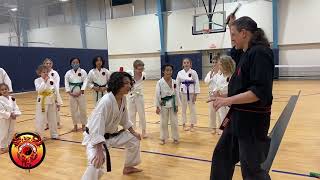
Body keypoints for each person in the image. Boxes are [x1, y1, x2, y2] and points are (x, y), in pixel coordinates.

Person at [209, 15, 274, 180]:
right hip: (238, 119)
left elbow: (259, 92)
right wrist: (223, 95)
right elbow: (235, 55)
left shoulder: (260, 53)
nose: (232, 39)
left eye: (234, 35)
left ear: (244, 33)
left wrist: (227, 100)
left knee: (251, 169)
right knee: (222, 157)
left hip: (252, 123)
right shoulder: (246, 53)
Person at [81, 72, 142, 180]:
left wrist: (134, 132)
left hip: (112, 136)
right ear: (117, 84)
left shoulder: (122, 98)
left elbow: (125, 119)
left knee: (134, 140)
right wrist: (99, 150)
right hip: (95, 140)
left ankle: (128, 167)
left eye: (129, 83)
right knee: (97, 163)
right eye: (126, 83)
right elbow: (96, 127)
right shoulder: (106, 101)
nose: (129, 86)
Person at [34, 65, 62, 140]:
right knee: (41, 119)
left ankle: (54, 134)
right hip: (42, 102)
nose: (45, 73)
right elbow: (39, 90)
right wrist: (45, 81)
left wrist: (58, 102)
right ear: (39, 73)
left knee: (53, 119)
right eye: (43, 72)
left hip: (51, 101)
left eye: (46, 72)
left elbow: (55, 91)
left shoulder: (51, 80)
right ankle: (39, 136)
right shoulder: (37, 80)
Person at [155, 64, 181, 145]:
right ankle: (163, 138)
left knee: (174, 122)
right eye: (167, 70)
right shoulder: (159, 82)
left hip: (173, 103)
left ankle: (175, 138)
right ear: (163, 71)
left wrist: (177, 104)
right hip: (163, 103)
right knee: (163, 122)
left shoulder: (174, 81)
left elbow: (176, 93)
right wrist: (157, 106)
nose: (169, 72)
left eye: (170, 70)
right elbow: (157, 94)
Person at [212, 56, 236, 135]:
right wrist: (215, 92)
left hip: (230, 102)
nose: (219, 67)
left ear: (226, 65)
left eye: (220, 65)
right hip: (221, 102)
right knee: (223, 118)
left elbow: (233, 91)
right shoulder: (219, 76)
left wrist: (222, 94)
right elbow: (216, 86)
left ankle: (229, 133)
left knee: (230, 119)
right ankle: (224, 132)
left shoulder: (233, 76)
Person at [176, 58, 200, 131]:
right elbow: (177, 83)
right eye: (184, 63)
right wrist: (177, 94)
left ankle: (192, 125)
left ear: (190, 64)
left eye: (187, 62)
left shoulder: (194, 72)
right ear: (182, 64)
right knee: (183, 109)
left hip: (191, 93)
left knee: (192, 109)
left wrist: (195, 95)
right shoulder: (180, 73)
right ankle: (183, 124)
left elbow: (197, 83)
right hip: (182, 92)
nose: (186, 64)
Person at [65, 57, 88, 132]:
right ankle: (75, 125)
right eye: (73, 63)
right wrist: (69, 92)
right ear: (71, 64)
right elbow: (66, 83)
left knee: (83, 110)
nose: (75, 64)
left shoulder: (83, 71)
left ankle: (84, 125)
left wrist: (81, 90)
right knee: (73, 110)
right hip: (72, 94)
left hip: (81, 93)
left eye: (77, 62)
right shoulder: (68, 73)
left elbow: (85, 81)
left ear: (79, 63)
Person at [127, 60, 148, 138]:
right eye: (139, 69)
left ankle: (144, 130)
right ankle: (132, 130)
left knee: (142, 113)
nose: (140, 71)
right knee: (131, 114)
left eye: (142, 69)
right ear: (134, 68)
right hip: (131, 95)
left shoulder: (144, 75)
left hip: (139, 96)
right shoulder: (129, 73)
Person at [0, 83, 21, 154]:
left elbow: (15, 107)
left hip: (12, 117)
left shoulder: (12, 98)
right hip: (4, 118)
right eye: (2, 90)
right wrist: (9, 114)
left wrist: (15, 113)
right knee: (4, 132)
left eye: (5, 89)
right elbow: (1, 111)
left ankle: (9, 144)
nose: (4, 91)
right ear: (0, 91)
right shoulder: (0, 100)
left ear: (8, 90)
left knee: (11, 131)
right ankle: (2, 147)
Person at [43, 58, 62, 129]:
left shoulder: (55, 73)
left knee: (55, 109)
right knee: (46, 109)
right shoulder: (43, 73)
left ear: (52, 64)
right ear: (44, 64)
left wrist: (55, 93)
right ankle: (47, 124)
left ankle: (57, 122)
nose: (48, 65)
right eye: (46, 63)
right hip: (45, 94)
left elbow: (56, 84)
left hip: (54, 93)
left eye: (50, 63)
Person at [204, 55, 220, 134]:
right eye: (213, 62)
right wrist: (211, 76)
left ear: (219, 63)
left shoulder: (221, 73)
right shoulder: (210, 73)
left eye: (215, 62)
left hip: (219, 95)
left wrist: (215, 91)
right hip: (211, 95)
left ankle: (221, 128)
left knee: (220, 112)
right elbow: (206, 82)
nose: (214, 64)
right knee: (212, 112)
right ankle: (213, 127)